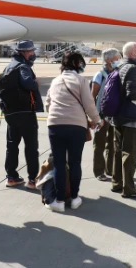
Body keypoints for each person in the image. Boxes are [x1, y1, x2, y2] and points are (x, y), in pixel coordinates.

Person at [43, 52, 101, 212]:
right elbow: (89, 104)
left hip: (55, 125)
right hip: (76, 126)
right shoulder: (82, 80)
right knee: (75, 162)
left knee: (59, 164)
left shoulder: (55, 81)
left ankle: (59, 201)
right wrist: (97, 120)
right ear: (77, 64)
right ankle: (75, 198)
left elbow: (48, 104)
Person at [109, 42, 136, 199]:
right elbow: (133, 94)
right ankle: (129, 189)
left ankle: (117, 183)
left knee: (118, 151)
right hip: (131, 116)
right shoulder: (133, 68)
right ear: (134, 54)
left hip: (117, 115)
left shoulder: (119, 66)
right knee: (130, 152)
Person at [0, 40, 44, 189]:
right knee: (31, 147)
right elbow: (27, 83)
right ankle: (33, 179)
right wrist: (35, 82)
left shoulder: (8, 67)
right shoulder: (23, 66)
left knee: (12, 145)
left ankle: (11, 177)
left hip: (11, 113)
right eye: (31, 51)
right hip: (25, 113)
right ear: (24, 52)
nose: (33, 54)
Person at [90, 48, 120, 182]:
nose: (119, 60)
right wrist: (94, 116)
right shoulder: (100, 75)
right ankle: (98, 171)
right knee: (99, 143)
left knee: (113, 144)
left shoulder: (118, 72)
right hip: (101, 115)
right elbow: (92, 96)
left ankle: (110, 168)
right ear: (108, 60)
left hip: (114, 114)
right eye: (117, 58)